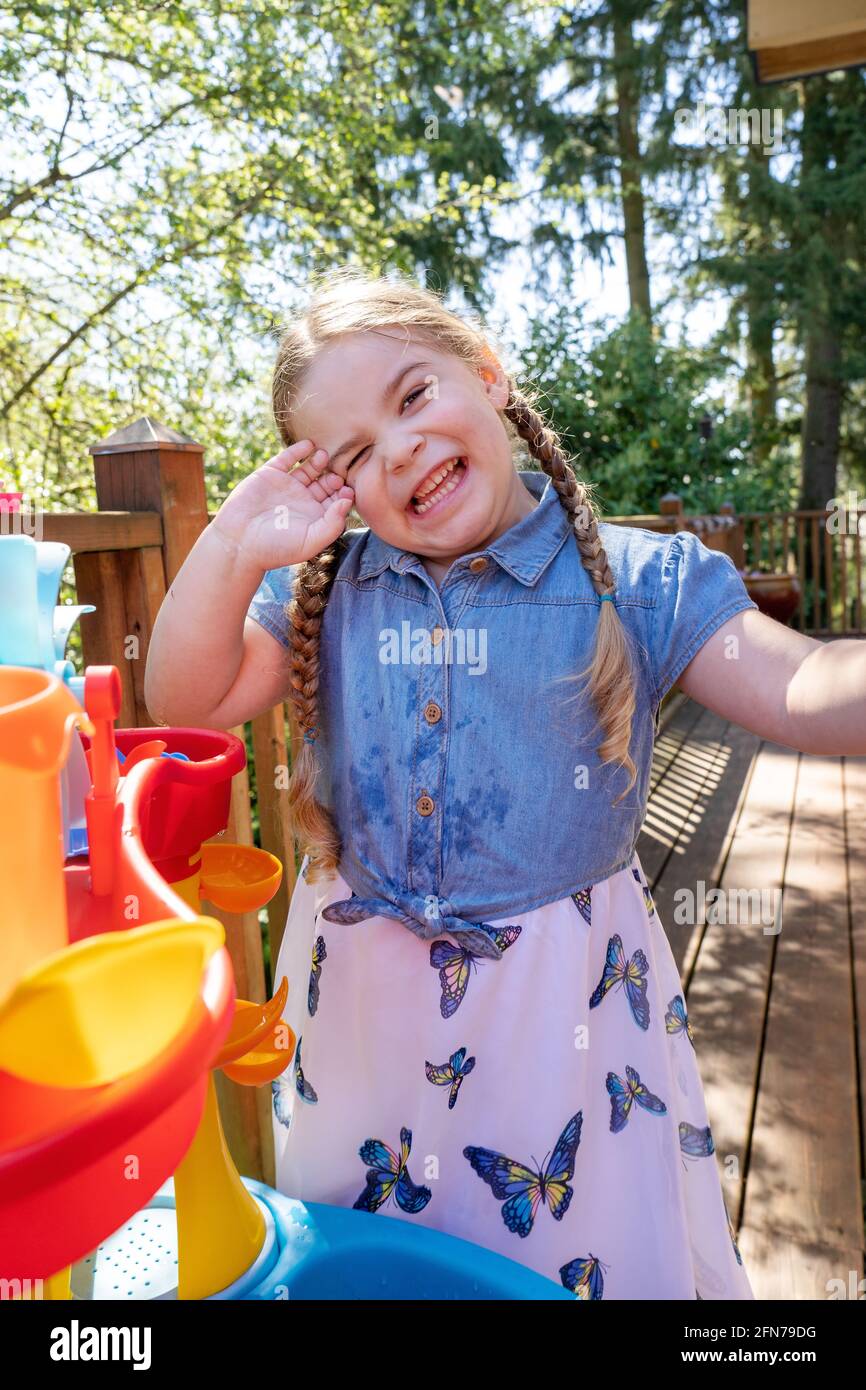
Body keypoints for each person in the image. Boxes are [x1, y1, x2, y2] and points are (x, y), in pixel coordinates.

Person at [145, 267, 866, 1300]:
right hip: (367, 1013)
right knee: (379, 1257)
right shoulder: (333, 593)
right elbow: (182, 695)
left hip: (557, 1015)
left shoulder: (638, 579)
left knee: (561, 1258)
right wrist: (229, 543)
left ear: (486, 375)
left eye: (412, 396)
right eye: (350, 454)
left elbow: (801, 686)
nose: (396, 449)